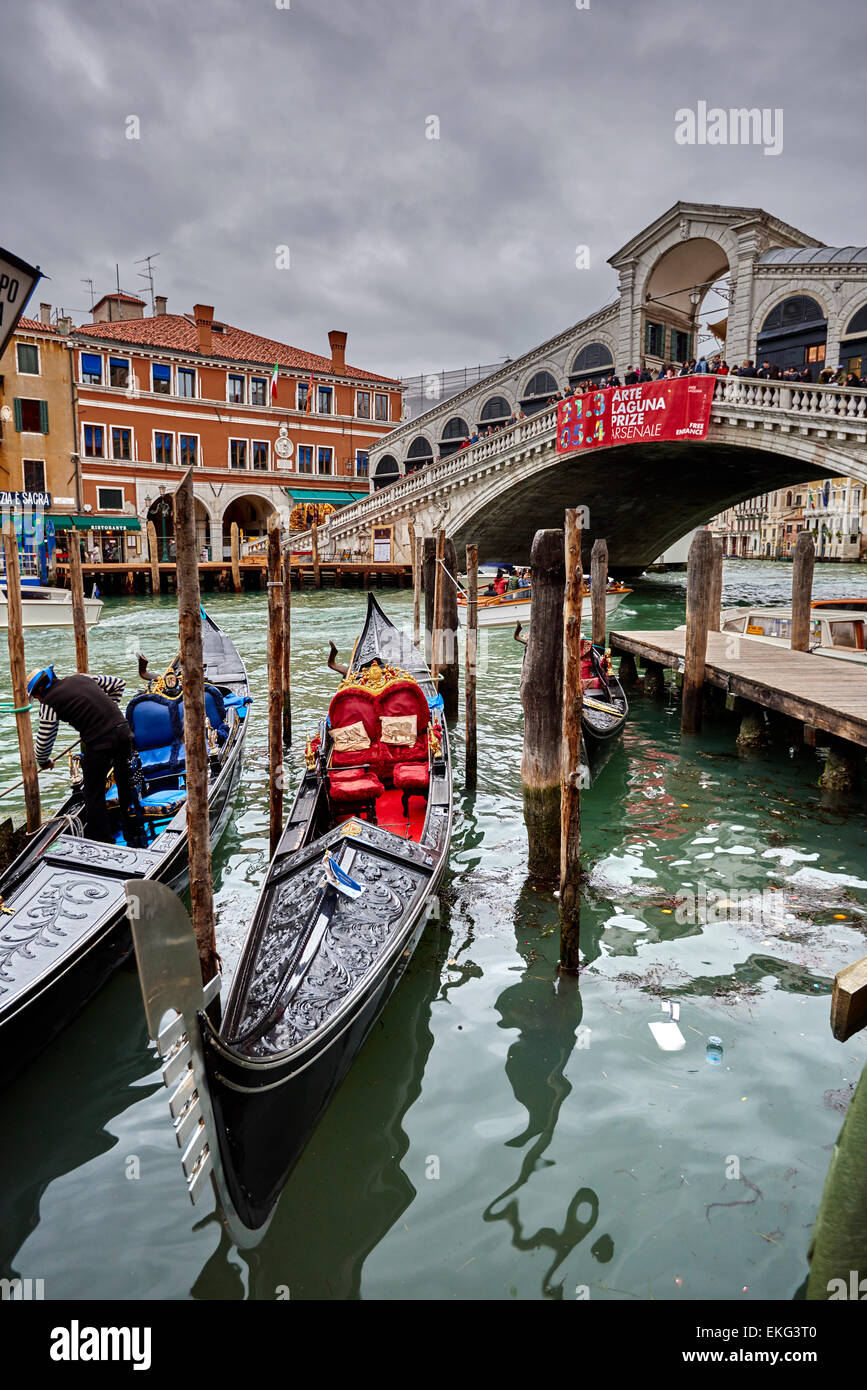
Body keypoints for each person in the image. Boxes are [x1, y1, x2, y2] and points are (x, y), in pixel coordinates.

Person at [29, 665, 142, 846]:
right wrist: (108, 709)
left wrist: (43, 761)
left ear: (40, 690)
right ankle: (135, 834)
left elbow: (45, 738)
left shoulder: (48, 702)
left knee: (92, 792)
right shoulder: (82, 677)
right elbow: (118, 684)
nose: (37, 699)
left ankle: (103, 841)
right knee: (124, 782)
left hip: (100, 741)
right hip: (123, 731)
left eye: (35, 696)